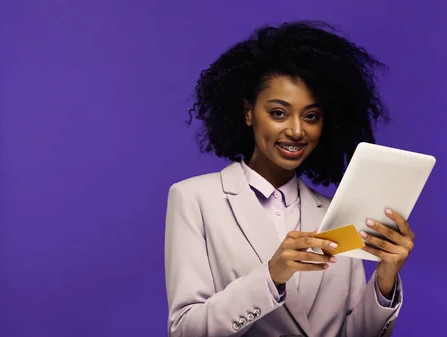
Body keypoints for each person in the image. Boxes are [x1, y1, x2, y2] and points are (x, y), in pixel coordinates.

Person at [164, 20, 415, 337]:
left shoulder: (335, 212)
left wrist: (384, 279)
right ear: (248, 112)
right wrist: (271, 277)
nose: (297, 131)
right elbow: (186, 330)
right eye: (279, 113)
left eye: (311, 116)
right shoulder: (195, 199)